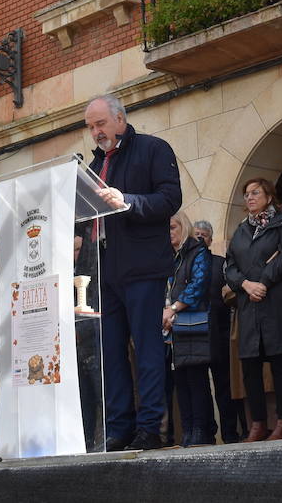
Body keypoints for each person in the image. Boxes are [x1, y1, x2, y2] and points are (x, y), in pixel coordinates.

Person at [85, 93, 183, 452]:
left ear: (120, 120)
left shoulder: (154, 149)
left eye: (100, 124)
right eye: (91, 127)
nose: (96, 132)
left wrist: (129, 201)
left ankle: (150, 428)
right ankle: (118, 429)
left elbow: (170, 199)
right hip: (104, 271)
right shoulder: (93, 168)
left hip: (143, 268)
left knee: (147, 350)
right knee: (110, 353)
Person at [226, 178, 282, 441]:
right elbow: (229, 267)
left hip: (275, 304)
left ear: (269, 196)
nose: (249, 198)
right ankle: (258, 425)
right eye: (246, 194)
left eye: (255, 193)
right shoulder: (240, 231)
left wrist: (263, 282)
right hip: (249, 305)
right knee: (250, 366)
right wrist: (246, 284)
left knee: (280, 363)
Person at [166, 209, 215, 446]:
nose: (169, 233)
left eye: (173, 228)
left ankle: (200, 430)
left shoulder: (198, 251)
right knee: (180, 380)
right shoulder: (167, 256)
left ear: (183, 226)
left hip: (193, 322)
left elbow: (197, 286)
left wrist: (173, 308)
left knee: (196, 378)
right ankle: (187, 430)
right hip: (172, 326)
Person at [192, 220, 240, 443]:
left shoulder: (220, 262)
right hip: (194, 334)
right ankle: (206, 432)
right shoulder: (185, 263)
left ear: (210, 240)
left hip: (219, 332)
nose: (200, 237)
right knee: (200, 387)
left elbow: (233, 289)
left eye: (204, 235)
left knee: (224, 386)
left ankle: (230, 433)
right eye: (196, 234)